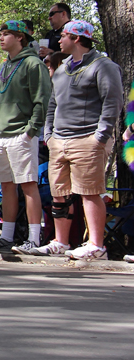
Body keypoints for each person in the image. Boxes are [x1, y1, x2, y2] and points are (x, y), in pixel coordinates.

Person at [34, 20, 123, 260]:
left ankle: (96, 245)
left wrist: (100, 137)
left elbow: (112, 102)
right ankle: (60, 242)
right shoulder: (62, 68)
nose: (59, 39)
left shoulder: (103, 66)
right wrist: (49, 136)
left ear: (76, 38)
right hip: (59, 141)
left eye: (63, 35)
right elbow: (53, 104)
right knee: (58, 193)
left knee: (89, 191)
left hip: (88, 138)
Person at [0, 21, 51, 255]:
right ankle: (6, 237)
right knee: (6, 186)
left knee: (28, 185)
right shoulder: (2, 66)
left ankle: (33, 239)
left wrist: (31, 130)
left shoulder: (33, 64)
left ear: (20, 37)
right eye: (0, 33)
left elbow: (42, 99)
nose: (1, 37)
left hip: (21, 133)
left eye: (6, 34)